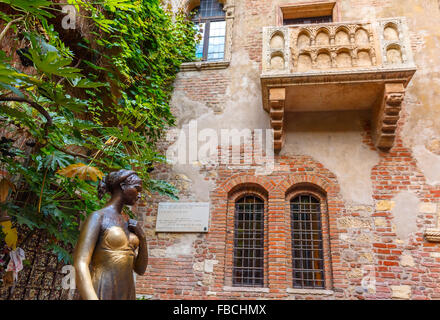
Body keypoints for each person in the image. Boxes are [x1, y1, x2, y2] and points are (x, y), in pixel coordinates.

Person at [74, 169, 148, 300]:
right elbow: (81, 262)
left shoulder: (128, 223)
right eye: (137, 189)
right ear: (122, 186)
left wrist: (142, 237)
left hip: (126, 291)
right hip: (102, 288)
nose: (139, 195)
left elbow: (140, 269)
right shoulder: (98, 217)